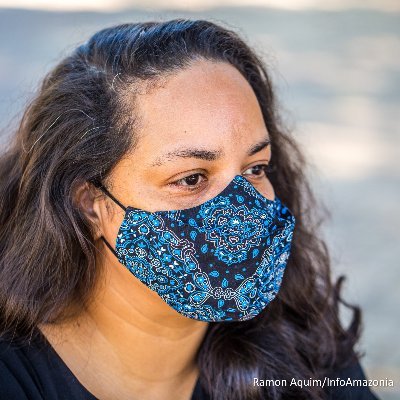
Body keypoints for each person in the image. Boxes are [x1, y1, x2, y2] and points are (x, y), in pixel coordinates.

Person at [0, 19, 380, 400]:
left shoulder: (305, 350)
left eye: (255, 168)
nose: (242, 210)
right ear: (91, 205)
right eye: (192, 178)